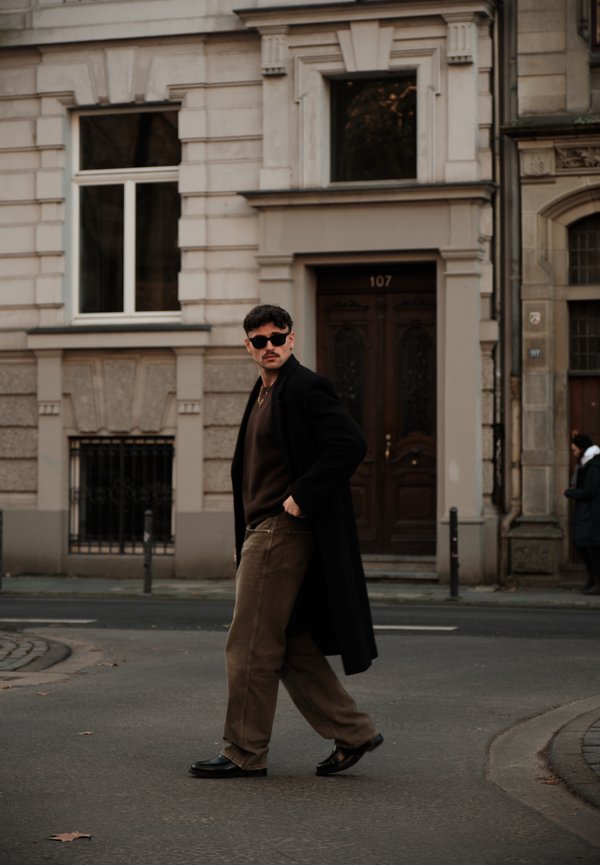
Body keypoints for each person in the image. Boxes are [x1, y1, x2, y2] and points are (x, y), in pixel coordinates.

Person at [189, 304, 381, 778]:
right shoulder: (263, 392)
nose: (269, 346)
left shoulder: (305, 387)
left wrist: (302, 495)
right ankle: (353, 731)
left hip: (282, 529)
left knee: (249, 644)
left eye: (278, 337)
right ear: (248, 346)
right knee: (290, 643)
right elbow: (252, 473)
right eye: (260, 341)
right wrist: (244, 535)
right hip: (262, 529)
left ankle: (244, 751)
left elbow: (350, 443)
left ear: (291, 339)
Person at [564, 433, 600, 595]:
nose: (574, 453)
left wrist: (569, 493)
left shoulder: (593, 466)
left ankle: (597, 582)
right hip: (587, 513)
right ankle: (592, 580)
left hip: (592, 513)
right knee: (582, 544)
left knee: (592, 548)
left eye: (575, 450)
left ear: (582, 448)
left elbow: (589, 491)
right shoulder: (586, 464)